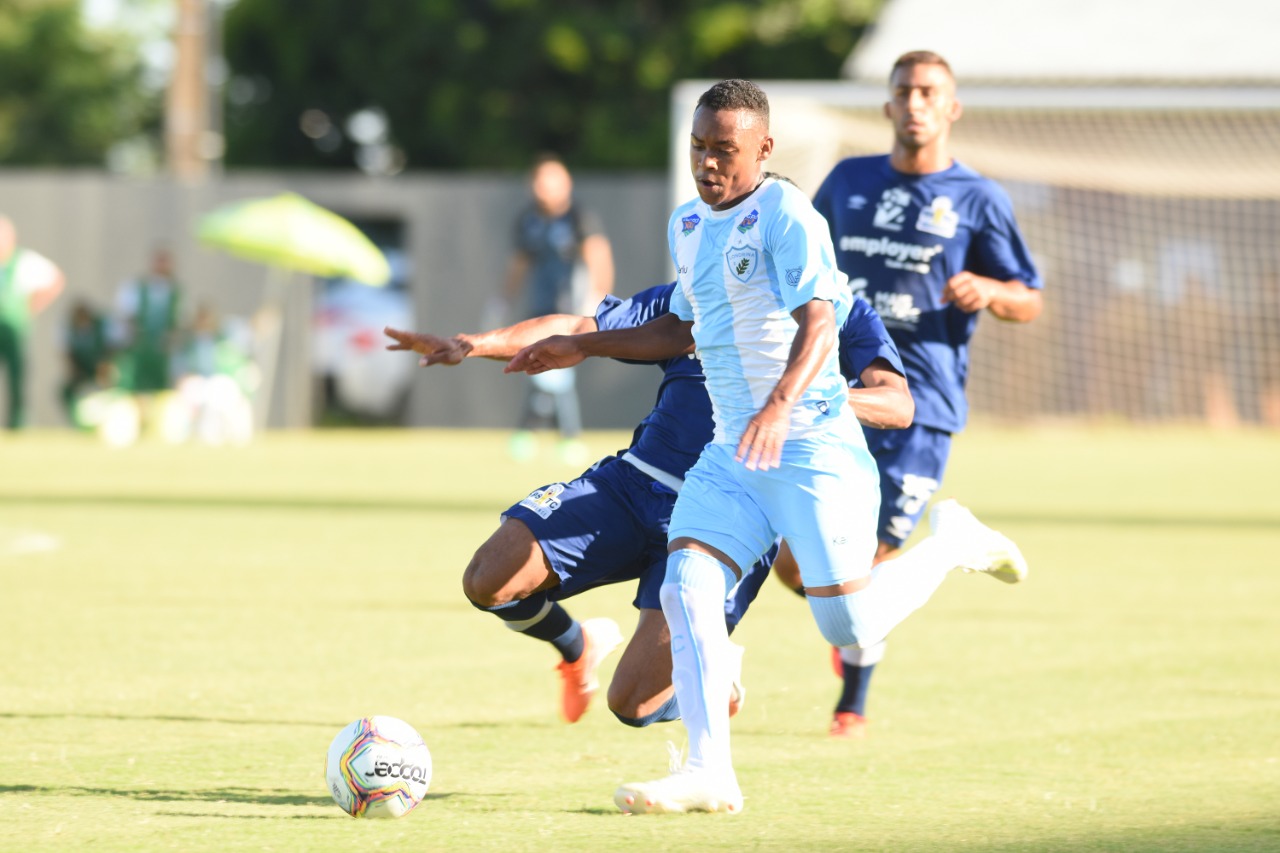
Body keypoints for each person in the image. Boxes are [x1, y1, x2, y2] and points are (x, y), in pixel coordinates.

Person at [505, 79, 1026, 815]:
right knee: (687, 585)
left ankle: (952, 542)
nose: (708, 164)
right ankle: (709, 771)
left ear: (763, 148)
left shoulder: (786, 212)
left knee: (849, 625)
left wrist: (782, 405)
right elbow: (678, 329)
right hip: (732, 448)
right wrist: (581, 344)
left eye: (725, 150)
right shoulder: (688, 223)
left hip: (812, 443)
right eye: (699, 148)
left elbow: (820, 320)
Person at [385, 279, 912, 734]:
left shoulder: (840, 312)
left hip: (727, 519)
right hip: (633, 485)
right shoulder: (703, 291)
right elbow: (577, 324)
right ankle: (576, 644)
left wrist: (810, 400)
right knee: (488, 577)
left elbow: (897, 402)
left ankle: (713, 674)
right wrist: (471, 344)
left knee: (634, 705)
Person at [799, 50, 1044, 738]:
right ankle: (851, 633)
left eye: (929, 92)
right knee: (796, 548)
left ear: (951, 108)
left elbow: (1029, 297)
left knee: (871, 559)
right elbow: (804, 260)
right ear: (886, 106)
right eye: (904, 91)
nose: (916, 103)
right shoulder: (847, 183)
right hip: (838, 391)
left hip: (923, 406)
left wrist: (992, 290)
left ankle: (853, 697)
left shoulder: (979, 199)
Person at [492, 154, 615, 464]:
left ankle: (548, 434)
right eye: (540, 181)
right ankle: (551, 435)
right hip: (539, 308)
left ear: (566, 184)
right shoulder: (528, 219)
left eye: (552, 181)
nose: (544, 188)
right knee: (543, 368)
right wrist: (502, 300)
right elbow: (519, 264)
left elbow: (598, 257)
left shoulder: (579, 218)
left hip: (571, 310)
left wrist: (597, 299)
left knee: (553, 370)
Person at [0, 215, 65, 429]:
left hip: (13, 330)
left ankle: (17, 424)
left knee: (17, 379)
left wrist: (33, 306)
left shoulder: (24, 261)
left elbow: (55, 278)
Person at [113, 247, 182, 399]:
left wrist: (172, 338)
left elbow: (179, 319)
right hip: (140, 344)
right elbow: (125, 313)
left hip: (162, 348)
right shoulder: (136, 287)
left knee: (161, 386)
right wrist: (131, 335)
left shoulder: (176, 291)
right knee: (136, 385)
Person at [60, 299, 111, 427]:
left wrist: (105, 371)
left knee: (111, 392)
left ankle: (107, 420)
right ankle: (79, 424)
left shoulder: (103, 326)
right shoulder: (68, 330)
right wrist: (75, 373)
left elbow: (112, 350)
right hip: (82, 368)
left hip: (102, 366)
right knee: (67, 391)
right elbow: (67, 355)